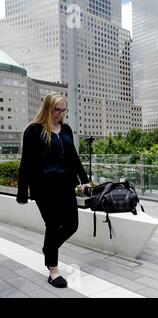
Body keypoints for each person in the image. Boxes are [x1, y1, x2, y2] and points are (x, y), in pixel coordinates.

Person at [16, 94, 91, 288]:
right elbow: (26, 162)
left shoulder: (65, 129)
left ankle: (48, 249)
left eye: (63, 110)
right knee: (53, 225)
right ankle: (53, 270)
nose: (60, 114)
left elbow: (73, 158)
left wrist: (84, 181)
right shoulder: (33, 131)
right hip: (44, 188)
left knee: (71, 225)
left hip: (65, 186)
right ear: (47, 108)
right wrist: (22, 190)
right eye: (56, 110)